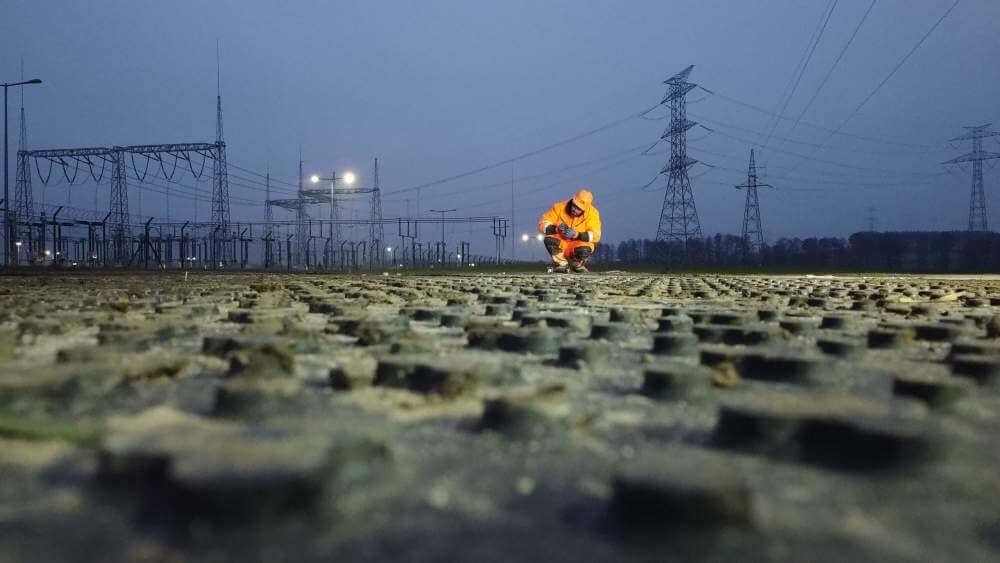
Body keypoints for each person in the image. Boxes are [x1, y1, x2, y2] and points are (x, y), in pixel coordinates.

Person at [537, 189, 602, 273]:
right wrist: (556, 229)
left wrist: (577, 235)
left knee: (585, 248)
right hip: (561, 244)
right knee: (549, 240)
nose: (575, 210)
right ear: (572, 201)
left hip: (577, 245)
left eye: (579, 209)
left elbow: (596, 235)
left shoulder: (593, 214)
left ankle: (578, 265)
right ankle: (561, 265)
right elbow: (542, 224)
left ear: (585, 209)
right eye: (574, 206)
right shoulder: (559, 207)